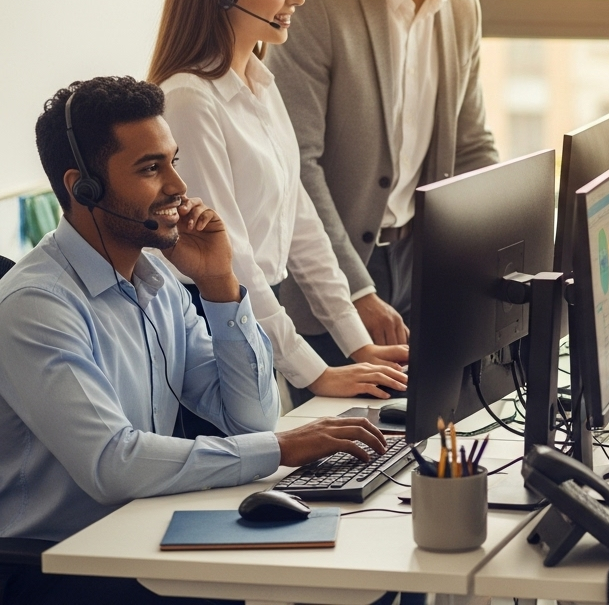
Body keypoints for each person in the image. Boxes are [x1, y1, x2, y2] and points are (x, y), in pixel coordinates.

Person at [0, 77, 387, 603]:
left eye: (173, 160)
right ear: (81, 187)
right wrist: (280, 448)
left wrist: (219, 284)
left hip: (140, 531)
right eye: (151, 168)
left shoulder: (158, 284)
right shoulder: (38, 305)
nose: (179, 186)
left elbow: (248, 417)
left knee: (368, 575)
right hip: (55, 565)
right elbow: (112, 464)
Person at [147, 0, 410, 405]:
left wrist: (358, 345)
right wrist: (314, 373)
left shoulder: (262, 85)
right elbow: (233, 260)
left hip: (259, 319)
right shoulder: (189, 100)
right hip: (214, 328)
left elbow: (303, 226)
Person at [266, 0, 502, 369]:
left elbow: (471, 144)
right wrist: (354, 290)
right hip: (328, 276)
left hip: (421, 269)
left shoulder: (462, 8)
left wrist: (507, 245)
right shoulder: (317, 2)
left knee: (420, 441)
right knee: (346, 442)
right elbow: (297, 164)